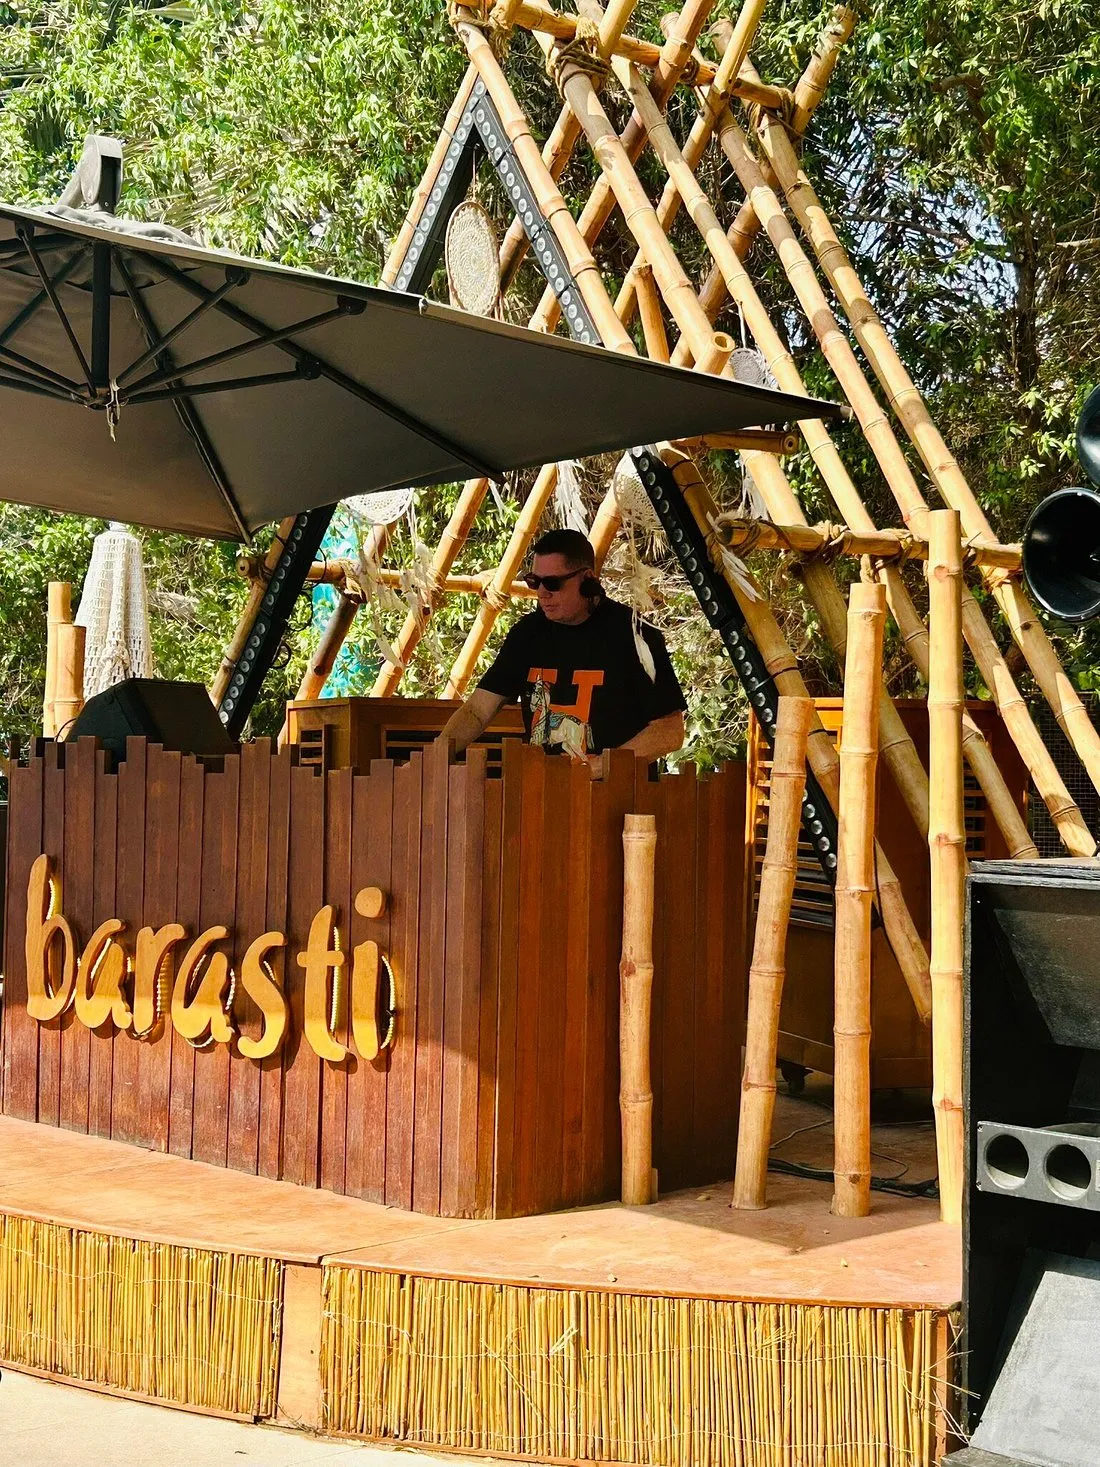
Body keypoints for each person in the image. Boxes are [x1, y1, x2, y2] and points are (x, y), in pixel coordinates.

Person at [439, 528, 686, 772]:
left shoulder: (634, 634)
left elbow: (669, 732)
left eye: (552, 583)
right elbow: (477, 711)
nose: (542, 593)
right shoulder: (527, 635)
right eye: (534, 582)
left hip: (617, 791)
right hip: (543, 787)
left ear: (587, 579)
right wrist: (437, 754)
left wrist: (598, 768)